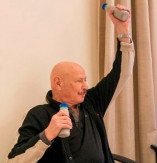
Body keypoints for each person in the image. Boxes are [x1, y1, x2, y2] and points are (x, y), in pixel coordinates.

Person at [7, 5, 134, 162]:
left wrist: (123, 31)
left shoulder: (92, 102)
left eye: (85, 80)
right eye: (79, 81)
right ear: (58, 83)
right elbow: (13, 161)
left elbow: (121, 74)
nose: (85, 86)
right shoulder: (38, 115)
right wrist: (46, 135)